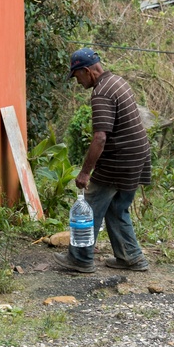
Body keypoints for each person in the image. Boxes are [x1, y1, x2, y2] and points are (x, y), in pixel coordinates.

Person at [54, 47, 151, 274]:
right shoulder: (118, 81)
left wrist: (85, 172)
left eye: (77, 76)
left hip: (120, 159)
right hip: (137, 156)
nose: (77, 82)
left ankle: (80, 258)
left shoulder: (101, 93)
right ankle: (131, 257)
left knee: (91, 205)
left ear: (87, 71)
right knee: (117, 208)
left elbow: (100, 137)